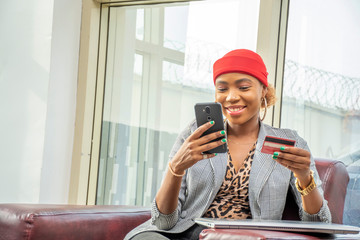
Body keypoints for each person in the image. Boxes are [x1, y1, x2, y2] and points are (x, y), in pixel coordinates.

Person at [125, 49, 331, 240]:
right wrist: (175, 169)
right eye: (222, 89)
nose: (231, 97)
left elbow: (319, 223)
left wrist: (304, 178)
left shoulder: (290, 143)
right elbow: (163, 221)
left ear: (263, 91)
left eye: (243, 87)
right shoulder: (195, 134)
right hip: (188, 233)